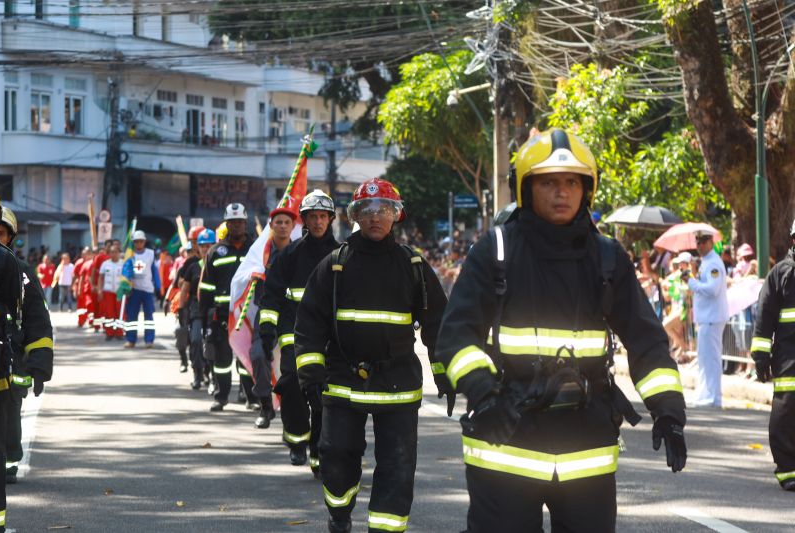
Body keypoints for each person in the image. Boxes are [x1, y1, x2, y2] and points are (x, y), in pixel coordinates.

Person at [435, 129, 687, 532]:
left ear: (586, 189)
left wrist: (669, 411)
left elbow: (647, 340)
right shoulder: (496, 250)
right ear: (526, 187)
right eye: (549, 182)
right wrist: (485, 396)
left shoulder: (607, 256)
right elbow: (456, 336)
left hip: (585, 451)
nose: (561, 192)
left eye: (572, 182)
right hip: (506, 441)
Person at [295, 178, 448, 533]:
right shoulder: (335, 265)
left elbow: (439, 324)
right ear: (355, 217)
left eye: (383, 210)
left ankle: (385, 529)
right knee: (335, 458)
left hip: (398, 383)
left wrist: (446, 373)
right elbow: (309, 323)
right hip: (342, 382)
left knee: (397, 466)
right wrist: (310, 373)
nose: (375, 217)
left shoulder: (413, 266)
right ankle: (339, 512)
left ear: (396, 216)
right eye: (367, 210)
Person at [258, 189, 340, 473]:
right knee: (292, 383)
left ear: (330, 219)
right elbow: (272, 295)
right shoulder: (289, 255)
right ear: (303, 220)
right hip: (294, 335)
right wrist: (267, 329)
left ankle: (318, 452)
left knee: (323, 394)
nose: (317, 222)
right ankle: (296, 439)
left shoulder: (342, 255)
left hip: (331, 339)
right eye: (312, 217)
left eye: (322, 216)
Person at [0, 200, 52, 533]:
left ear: (11, 237)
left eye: (2, 233)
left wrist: (40, 365)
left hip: (9, 362)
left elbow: (38, 322)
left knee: (9, 419)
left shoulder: (21, 272)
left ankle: (11, 462)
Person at [750, 219, 795, 492]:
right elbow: (764, 319)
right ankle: (788, 470)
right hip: (789, 359)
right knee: (787, 411)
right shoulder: (780, 274)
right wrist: (760, 357)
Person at [199, 203, 257, 412]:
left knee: (247, 359)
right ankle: (221, 397)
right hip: (222, 316)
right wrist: (204, 318)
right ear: (226, 224)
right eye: (232, 222)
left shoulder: (257, 249)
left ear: (245, 222)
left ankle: (252, 397)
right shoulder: (215, 252)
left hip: (249, 315)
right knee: (222, 359)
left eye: (239, 222)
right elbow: (205, 288)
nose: (236, 226)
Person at [250, 205, 296, 428]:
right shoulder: (259, 254)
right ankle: (265, 406)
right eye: (279, 222)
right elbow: (242, 280)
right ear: (271, 226)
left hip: (291, 316)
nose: (283, 226)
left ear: (293, 226)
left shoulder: (299, 252)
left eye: (287, 222)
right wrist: (253, 275)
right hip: (265, 314)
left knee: (291, 366)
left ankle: (292, 416)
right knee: (258, 355)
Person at [687, 231, 728, 408]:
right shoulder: (706, 263)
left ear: (711, 242)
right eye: (697, 242)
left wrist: (691, 282)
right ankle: (704, 394)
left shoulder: (713, 264)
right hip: (706, 318)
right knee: (704, 359)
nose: (700, 246)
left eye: (703, 242)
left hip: (712, 318)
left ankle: (713, 397)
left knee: (711, 360)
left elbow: (712, 290)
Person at [181, 229, 213, 390]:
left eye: (209, 246)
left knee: (212, 343)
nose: (206, 249)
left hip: (215, 308)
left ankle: (210, 373)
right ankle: (197, 373)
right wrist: (181, 310)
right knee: (195, 340)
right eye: (202, 246)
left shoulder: (218, 264)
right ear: (198, 248)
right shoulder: (192, 266)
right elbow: (184, 289)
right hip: (195, 308)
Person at [173, 227, 205, 375]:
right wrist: (178, 308)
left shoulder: (214, 258)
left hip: (213, 306)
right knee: (183, 334)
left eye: (195, 241)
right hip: (190, 304)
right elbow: (180, 284)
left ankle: (209, 373)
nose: (195, 245)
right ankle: (187, 362)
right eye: (193, 242)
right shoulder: (189, 263)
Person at [121, 231, 161, 349]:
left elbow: (154, 271)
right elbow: (126, 270)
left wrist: (159, 287)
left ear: (144, 242)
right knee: (132, 316)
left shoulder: (150, 254)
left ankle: (149, 340)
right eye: (137, 242)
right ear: (133, 242)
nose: (139, 243)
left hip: (148, 290)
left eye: (141, 241)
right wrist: (125, 284)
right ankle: (131, 339)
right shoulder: (130, 254)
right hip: (134, 290)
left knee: (149, 316)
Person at [97, 243, 124, 340]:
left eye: (115, 252)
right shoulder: (105, 264)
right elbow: (100, 277)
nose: (113, 254)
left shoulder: (123, 263)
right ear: (109, 253)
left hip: (119, 292)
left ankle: (119, 332)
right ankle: (109, 333)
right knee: (109, 313)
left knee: (119, 313)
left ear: (119, 253)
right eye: (112, 252)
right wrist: (99, 290)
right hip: (108, 292)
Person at [73, 247, 94, 327]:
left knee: (90, 305)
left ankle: (91, 321)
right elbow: (75, 276)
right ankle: (81, 321)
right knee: (81, 307)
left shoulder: (93, 263)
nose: (85, 255)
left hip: (89, 288)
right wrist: (75, 288)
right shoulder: (79, 263)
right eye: (84, 253)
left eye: (87, 253)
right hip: (81, 287)